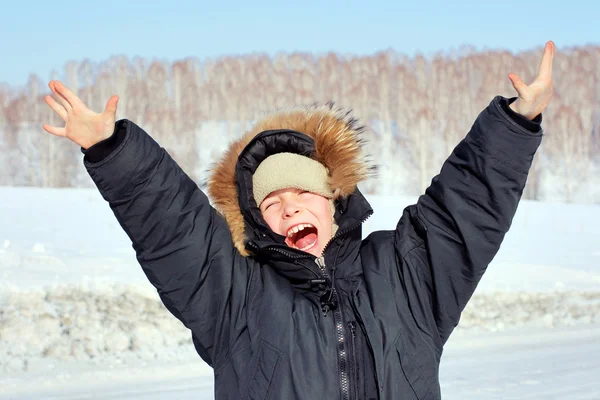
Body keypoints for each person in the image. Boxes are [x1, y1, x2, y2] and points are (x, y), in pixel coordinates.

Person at [42, 41, 555, 400]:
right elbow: (172, 226)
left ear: (333, 199)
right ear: (259, 222)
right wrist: (112, 149)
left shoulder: (404, 274)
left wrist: (513, 125)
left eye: (302, 192)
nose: (289, 207)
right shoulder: (234, 296)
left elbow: (462, 211)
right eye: (271, 202)